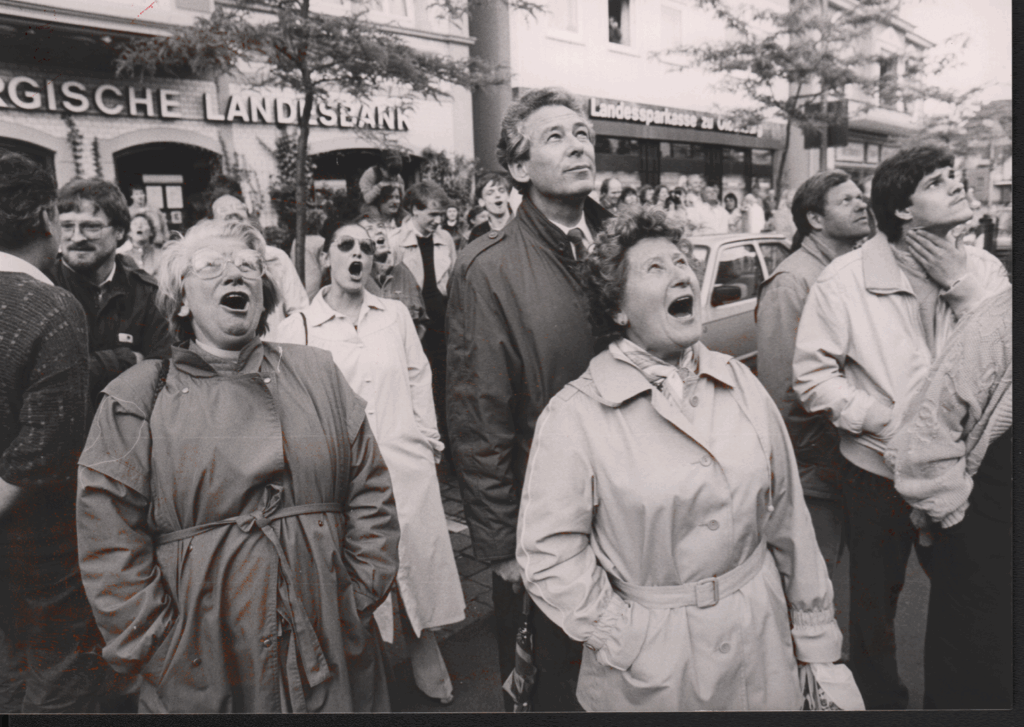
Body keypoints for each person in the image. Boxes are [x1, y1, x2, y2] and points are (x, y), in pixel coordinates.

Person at [517, 207, 842, 711]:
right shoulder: (575, 414)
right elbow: (548, 553)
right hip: (651, 671)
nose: (681, 274)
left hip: (763, 643)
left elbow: (789, 521)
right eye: (655, 268)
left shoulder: (741, 384)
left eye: (682, 262)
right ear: (618, 309)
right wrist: (623, 636)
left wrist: (816, 641)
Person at [76, 219, 400, 713]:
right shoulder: (138, 397)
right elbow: (109, 541)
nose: (235, 274)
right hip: (201, 658)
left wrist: (352, 600)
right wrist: (162, 648)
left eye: (249, 265)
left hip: (329, 637)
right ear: (181, 300)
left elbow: (371, 492)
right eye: (211, 265)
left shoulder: (318, 373)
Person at [792, 145, 1010, 709]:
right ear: (903, 209)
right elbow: (812, 378)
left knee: (970, 601)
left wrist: (963, 287)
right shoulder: (843, 280)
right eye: (937, 181)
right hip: (875, 472)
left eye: (954, 175)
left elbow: (1004, 362)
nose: (957, 184)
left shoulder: (985, 270)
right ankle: (880, 702)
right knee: (874, 608)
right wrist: (886, 422)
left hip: (965, 473)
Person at [446, 87, 612, 712]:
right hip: (549, 522)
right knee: (552, 687)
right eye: (555, 137)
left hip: (637, 510)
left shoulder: (623, 246)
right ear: (518, 168)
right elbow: (478, 418)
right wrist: (499, 547)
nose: (577, 145)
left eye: (582, 133)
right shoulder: (487, 268)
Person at [270, 213, 465, 706]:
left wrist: (427, 440)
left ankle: (423, 647)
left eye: (366, 248)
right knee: (358, 566)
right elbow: (283, 404)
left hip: (404, 459)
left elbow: (418, 375)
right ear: (325, 257)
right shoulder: (299, 328)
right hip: (344, 474)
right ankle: (369, 668)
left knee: (413, 559)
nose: (358, 254)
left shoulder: (393, 315)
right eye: (346, 246)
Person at [0, 152, 105, 713]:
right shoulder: (52, 307)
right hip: (41, 549)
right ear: (46, 216)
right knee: (58, 684)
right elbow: (47, 447)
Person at [885, 288, 1011, 710]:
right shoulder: (996, 325)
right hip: (989, 547)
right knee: (975, 682)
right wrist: (957, 523)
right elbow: (924, 441)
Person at [756, 171, 871, 581]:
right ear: (815, 219)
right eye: (846, 200)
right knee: (814, 587)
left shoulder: (848, 270)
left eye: (860, 196)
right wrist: (824, 459)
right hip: (818, 471)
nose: (861, 204)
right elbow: (784, 392)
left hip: (849, 458)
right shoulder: (793, 282)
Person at [52, 179, 173, 406]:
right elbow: (48, 377)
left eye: (91, 227)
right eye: (66, 226)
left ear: (119, 231)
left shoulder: (147, 293)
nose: (77, 237)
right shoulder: (44, 286)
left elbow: (163, 375)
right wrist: (124, 360)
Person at [391, 181, 458, 448]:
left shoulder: (445, 239)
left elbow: (452, 280)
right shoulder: (396, 241)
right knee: (417, 386)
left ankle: (446, 444)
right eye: (432, 214)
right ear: (414, 210)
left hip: (443, 324)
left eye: (440, 214)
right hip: (414, 326)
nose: (438, 220)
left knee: (444, 385)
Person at [210, 193, 308, 331]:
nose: (235, 231)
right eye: (228, 223)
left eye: (240, 221)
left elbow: (298, 309)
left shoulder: (275, 257)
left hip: (275, 341)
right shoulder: (208, 263)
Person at [360, 211, 429, 339]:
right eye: (369, 229)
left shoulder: (403, 271)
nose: (379, 231)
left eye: (381, 226)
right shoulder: (355, 277)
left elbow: (421, 320)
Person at [119, 208, 169, 276]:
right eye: (135, 224)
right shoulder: (122, 257)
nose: (139, 226)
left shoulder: (162, 255)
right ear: (129, 232)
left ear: (151, 232)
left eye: (144, 223)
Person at [468, 172, 513, 243]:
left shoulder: (523, 226)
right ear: (481, 202)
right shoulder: (477, 233)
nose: (497, 195)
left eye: (501, 191)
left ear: (508, 196)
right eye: (490, 193)